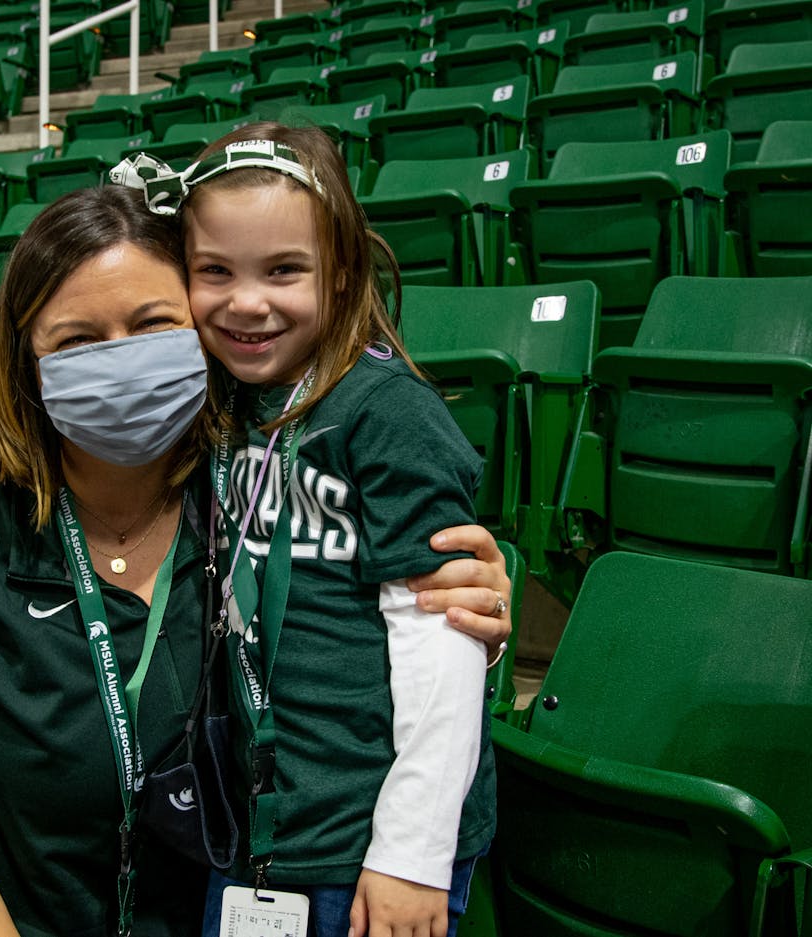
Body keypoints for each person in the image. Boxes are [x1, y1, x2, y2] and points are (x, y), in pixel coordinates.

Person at [0, 184, 513, 937]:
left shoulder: (273, 507)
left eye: (153, 325)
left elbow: (375, 657)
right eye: (75, 341)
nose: (120, 360)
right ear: (25, 362)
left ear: (203, 330)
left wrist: (463, 629)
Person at [123, 123, 500, 937]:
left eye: (284, 270)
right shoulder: (219, 404)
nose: (246, 302)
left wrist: (412, 851)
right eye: (212, 271)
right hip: (255, 829)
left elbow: (444, 648)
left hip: (368, 842)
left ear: (341, 273)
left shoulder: (389, 414)